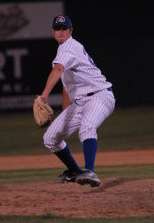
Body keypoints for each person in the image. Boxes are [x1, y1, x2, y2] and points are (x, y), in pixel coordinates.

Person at [41, 14, 115, 187]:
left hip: (100, 96)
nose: (61, 32)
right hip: (80, 102)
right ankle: (75, 171)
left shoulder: (69, 47)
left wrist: (44, 95)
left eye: (64, 29)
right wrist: (66, 112)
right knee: (51, 138)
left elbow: (58, 69)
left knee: (87, 126)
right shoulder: (64, 50)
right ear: (53, 31)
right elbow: (67, 84)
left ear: (70, 30)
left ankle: (90, 171)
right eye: (57, 29)